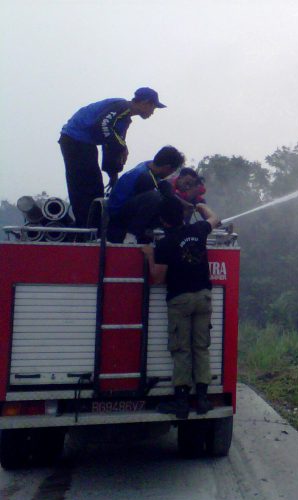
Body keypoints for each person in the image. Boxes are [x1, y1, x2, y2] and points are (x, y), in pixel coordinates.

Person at [141, 196, 221, 418]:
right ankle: (202, 399)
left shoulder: (164, 244)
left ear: (163, 221)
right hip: (203, 297)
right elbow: (215, 219)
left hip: (180, 300)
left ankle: (181, 402)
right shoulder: (198, 230)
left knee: (182, 350)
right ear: (182, 215)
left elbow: (158, 278)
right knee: (201, 347)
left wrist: (149, 256)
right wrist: (202, 206)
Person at [59, 87, 166, 227]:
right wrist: (122, 146)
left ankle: (91, 225)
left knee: (95, 187)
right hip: (75, 138)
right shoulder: (121, 107)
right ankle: (84, 226)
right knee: (85, 185)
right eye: (153, 107)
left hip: (85, 143)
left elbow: (110, 147)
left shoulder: (124, 120)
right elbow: (102, 126)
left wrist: (113, 174)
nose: (153, 112)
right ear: (145, 103)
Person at [107, 146, 185, 243]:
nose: (171, 174)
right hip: (118, 218)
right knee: (154, 197)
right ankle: (131, 236)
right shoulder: (144, 176)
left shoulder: (149, 166)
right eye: (172, 171)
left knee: (166, 189)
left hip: (133, 209)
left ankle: (171, 233)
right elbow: (149, 201)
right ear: (167, 168)